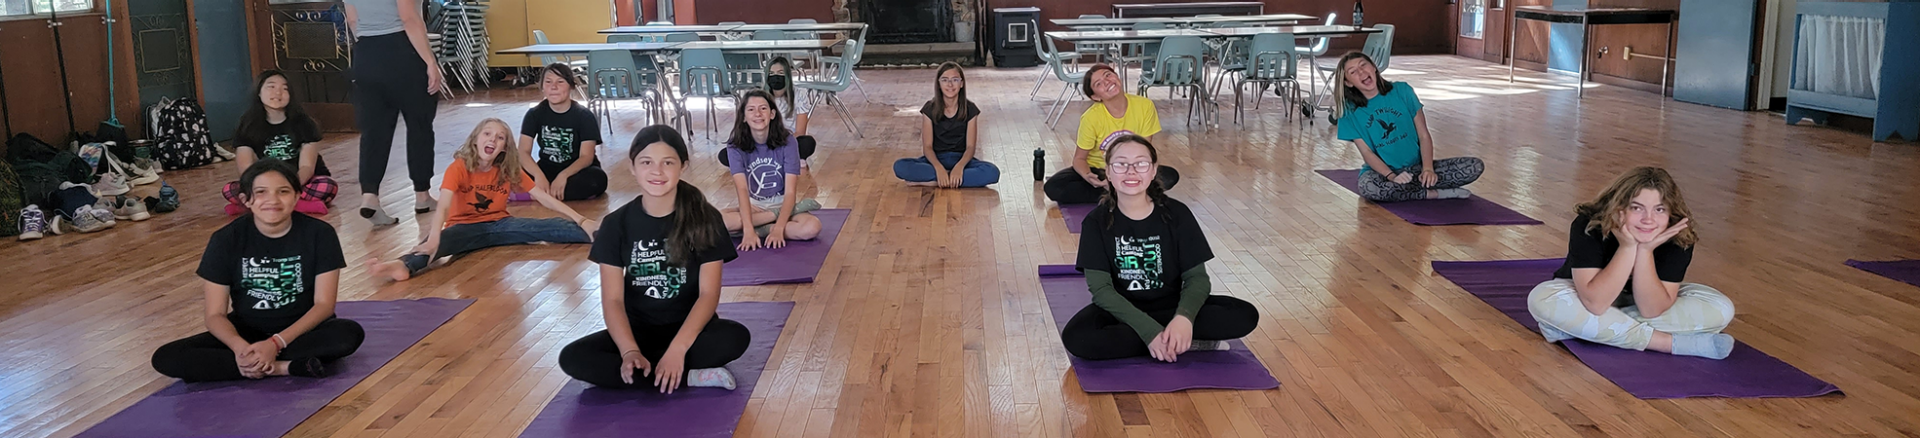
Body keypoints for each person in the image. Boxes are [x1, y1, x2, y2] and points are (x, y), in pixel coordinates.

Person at [559, 125, 749, 392]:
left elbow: (708, 295)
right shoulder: (616, 224)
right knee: (572, 358)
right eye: (646, 162)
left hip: (691, 331)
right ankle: (687, 376)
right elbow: (612, 300)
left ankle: (662, 369)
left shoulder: (705, 218)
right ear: (632, 167)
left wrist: (678, 349)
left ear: (682, 166)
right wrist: (628, 352)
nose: (657, 171)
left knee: (735, 338)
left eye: (667, 163)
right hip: (638, 333)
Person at [152, 159, 365, 382]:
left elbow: (324, 305)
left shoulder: (320, 234)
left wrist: (275, 343)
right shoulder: (225, 240)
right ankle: (284, 367)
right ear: (246, 200)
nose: (272, 200)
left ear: (297, 196)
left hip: (301, 332)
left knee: (348, 335)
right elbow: (215, 315)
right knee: (166, 357)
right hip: (247, 331)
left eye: (283, 191)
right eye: (261, 192)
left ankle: (253, 365)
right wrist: (241, 348)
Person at [1059, 134, 1258, 362]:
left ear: (1153, 171)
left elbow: (1197, 279)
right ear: (1109, 173)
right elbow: (1102, 291)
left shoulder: (1177, 214)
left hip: (1172, 305)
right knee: (1078, 338)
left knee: (1244, 315)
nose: (1131, 171)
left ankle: (1171, 336)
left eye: (1141, 164)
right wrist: (1148, 330)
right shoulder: (1095, 223)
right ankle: (1177, 342)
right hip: (1122, 312)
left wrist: (1184, 318)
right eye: (1121, 164)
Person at [1528, 167, 1735, 359]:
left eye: (1659, 210)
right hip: (1583, 298)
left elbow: (1651, 309)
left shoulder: (1679, 236)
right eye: (1637, 208)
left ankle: (1585, 329)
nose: (1648, 219)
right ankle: (1668, 343)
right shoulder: (1589, 224)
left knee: (1721, 309)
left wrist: (1644, 251)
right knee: (1543, 298)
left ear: (1671, 213)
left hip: (1637, 306)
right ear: (1618, 209)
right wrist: (1627, 247)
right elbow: (1597, 303)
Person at [367, 119, 599, 281]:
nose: (493, 140)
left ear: (504, 147)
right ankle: (402, 265)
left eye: (500, 138)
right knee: (435, 245)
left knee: (551, 227)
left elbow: (544, 199)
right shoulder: (458, 167)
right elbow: (444, 206)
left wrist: (581, 219)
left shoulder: (508, 169)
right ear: (475, 139)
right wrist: (434, 237)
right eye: (487, 134)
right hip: (463, 227)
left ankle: (603, 234)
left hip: (501, 224)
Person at [1332, 52, 1483, 202]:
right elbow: (1367, 152)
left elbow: (1423, 135)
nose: (1361, 72)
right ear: (1348, 83)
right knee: (1369, 187)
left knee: (1474, 167)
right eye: (1353, 72)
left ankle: (1416, 186)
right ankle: (1432, 194)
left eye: (1363, 65)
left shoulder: (1403, 90)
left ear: (1374, 67)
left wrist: (1428, 169)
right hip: (1382, 173)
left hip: (1417, 168)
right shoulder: (1348, 112)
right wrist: (1392, 176)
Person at [345, 0, 443, 225]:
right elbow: (408, 17)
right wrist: (430, 61)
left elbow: (352, 19)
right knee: (419, 126)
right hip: (403, 51)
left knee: (373, 131)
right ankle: (422, 196)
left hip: (366, 54)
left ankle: (370, 197)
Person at [1044, 64, 1181, 205]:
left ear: (1117, 77)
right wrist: (1088, 176)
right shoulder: (1091, 117)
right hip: (1100, 170)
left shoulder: (1145, 106)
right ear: (1096, 97)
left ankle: (1116, 192)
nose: (1107, 82)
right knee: (1054, 187)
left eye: (1108, 75)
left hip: (1132, 168)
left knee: (1170, 176)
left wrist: (1136, 172)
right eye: (1099, 84)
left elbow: (1146, 152)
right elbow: (1079, 159)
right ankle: (1125, 192)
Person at [222, 70, 335, 216]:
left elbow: (307, 166)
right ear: (259, 92)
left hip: (300, 182)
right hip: (266, 181)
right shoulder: (247, 123)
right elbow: (245, 166)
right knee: (229, 189)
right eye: (271, 87)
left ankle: (259, 206)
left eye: (285, 88)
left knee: (327, 186)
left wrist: (289, 186)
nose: (278, 92)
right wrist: (259, 186)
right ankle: (298, 205)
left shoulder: (304, 122)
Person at [722, 90, 823, 251]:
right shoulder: (735, 145)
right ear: (743, 117)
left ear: (772, 114)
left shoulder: (788, 142)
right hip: (754, 207)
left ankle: (760, 228)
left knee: (811, 227)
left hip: (784, 205)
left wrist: (779, 228)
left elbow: (790, 192)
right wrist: (748, 230)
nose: (757, 114)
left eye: (763, 108)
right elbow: (742, 189)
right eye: (751, 109)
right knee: (718, 222)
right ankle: (766, 221)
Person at [893, 62, 999, 188]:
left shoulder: (970, 109)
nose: (950, 84)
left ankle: (937, 181)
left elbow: (970, 147)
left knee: (992, 172)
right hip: (935, 160)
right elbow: (927, 147)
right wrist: (938, 169)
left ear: (961, 83)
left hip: (962, 160)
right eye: (945, 80)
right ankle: (950, 179)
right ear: (939, 83)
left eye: (955, 80)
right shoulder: (929, 109)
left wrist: (959, 168)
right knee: (900, 166)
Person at [520, 63, 609, 201]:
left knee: (597, 179)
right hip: (546, 170)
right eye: (548, 82)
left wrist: (563, 176)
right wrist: (538, 175)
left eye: (560, 82)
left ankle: (537, 194)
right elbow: (523, 152)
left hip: (576, 171)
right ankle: (551, 193)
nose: (553, 87)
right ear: (542, 87)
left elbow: (586, 157)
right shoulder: (534, 114)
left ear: (571, 86)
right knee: (511, 171)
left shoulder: (584, 116)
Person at [718, 57, 815, 167]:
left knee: (807, 143)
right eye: (771, 73)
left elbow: (800, 132)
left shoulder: (800, 93)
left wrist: (781, 143)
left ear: (787, 75)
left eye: (780, 73)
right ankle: (779, 159)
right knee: (725, 154)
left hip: (787, 141)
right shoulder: (760, 95)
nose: (776, 77)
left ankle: (763, 160)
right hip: (762, 141)